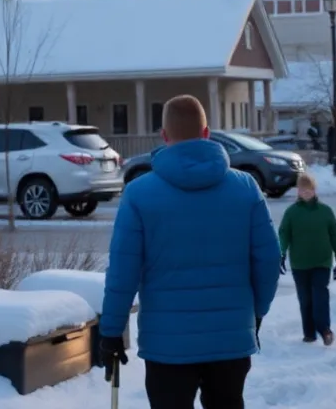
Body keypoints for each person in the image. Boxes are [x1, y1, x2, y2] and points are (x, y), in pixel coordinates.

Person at [99, 95, 281, 409]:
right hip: (230, 339)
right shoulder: (245, 188)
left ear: (164, 135)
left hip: (167, 344)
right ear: (207, 132)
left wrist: (112, 332)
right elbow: (267, 259)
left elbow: (123, 272)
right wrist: (257, 311)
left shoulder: (139, 194)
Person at [278, 173, 336, 345]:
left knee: (320, 296)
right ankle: (309, 333)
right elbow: (284, 235)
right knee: (305, 299)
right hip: (300, 263)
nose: (306, 193)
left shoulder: (325, 211)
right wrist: (281, 253)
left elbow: (335, 235)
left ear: (315, 190)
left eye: (309, 189)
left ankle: (325, 330)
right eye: (303, 190)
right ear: (298, 191)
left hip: (322, 261)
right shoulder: (292, 213)